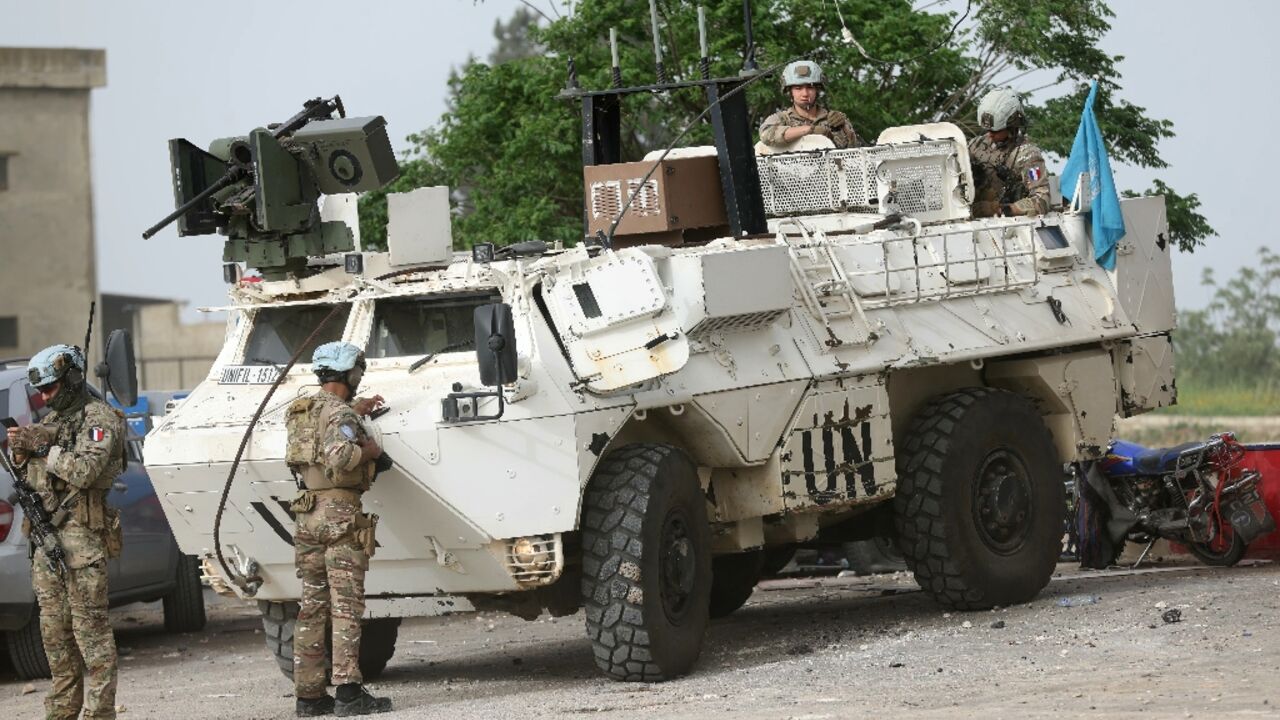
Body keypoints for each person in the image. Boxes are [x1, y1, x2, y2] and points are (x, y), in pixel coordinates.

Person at [6, 344, 125, 720]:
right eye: (39, 391)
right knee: (54, 637)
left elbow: (85, 472)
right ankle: (61, 712)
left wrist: (43, 448)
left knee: (92, 635)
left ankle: (99, 713)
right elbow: (33, 480)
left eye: (50, 389)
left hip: (83, 541)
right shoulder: (51, 423)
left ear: (72, 379)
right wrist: (22, 456)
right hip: (47, 542)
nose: (43, 398)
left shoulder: (99, 418)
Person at [286, 340, 392, 717]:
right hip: (338, 514)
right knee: (346, 604)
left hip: (307, 513)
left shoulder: (303, 409)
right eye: (357, 373)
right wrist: (372, 453)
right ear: (349, 374)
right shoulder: (338, 415)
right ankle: (349, 692)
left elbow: (318, 442)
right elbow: (342, 455)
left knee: (312, 606)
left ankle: (310, 696)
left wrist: (352, 412)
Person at [968, 87, 1052, 218]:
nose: (990, 135)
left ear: (1012, 125)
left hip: (1007, 227)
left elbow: (1041, 200)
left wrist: (1000, 209)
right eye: (987, 130)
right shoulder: (975, 145)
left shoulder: (1028, 156)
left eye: (996, 131)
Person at [759, 60, 861, 150]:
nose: (805, 94)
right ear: (790, 91)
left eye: (810, 88)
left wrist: (843, 129)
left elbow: (855, 152)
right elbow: (766, 135)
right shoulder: (782, 119)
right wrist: (809, 130)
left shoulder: (834, 119)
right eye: (798, 88)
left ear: (817, 90)